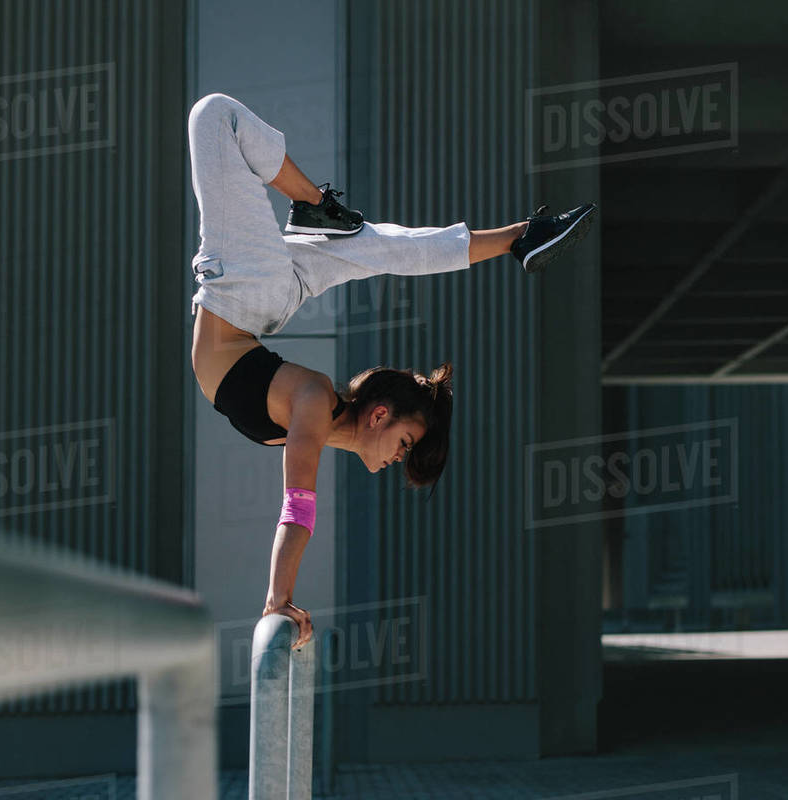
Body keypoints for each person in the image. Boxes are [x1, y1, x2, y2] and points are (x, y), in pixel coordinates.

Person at [187, 92, 596, 650]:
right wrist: (276, 599)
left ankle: (519, 236)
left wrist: (280, 600)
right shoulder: (311, 400)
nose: (393, 461)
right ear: (379, 414)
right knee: (215, 116)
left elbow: (296, 508)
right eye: (403, 445)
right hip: (243, 293)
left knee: (376, 248)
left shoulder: (315, 409)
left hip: (257, 298)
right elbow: (298, 509)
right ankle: (320, 206)